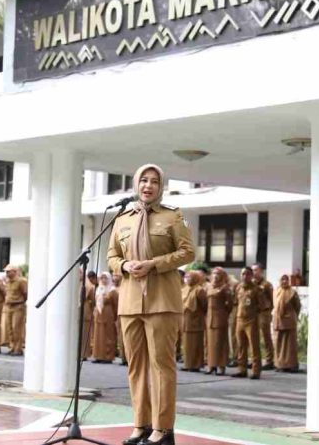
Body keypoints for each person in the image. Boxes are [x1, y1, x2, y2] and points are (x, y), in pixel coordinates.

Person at [107, 163, 194, 445]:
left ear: (160, 187)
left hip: (162, 302)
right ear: (136, 184)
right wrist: (124, 265)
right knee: (136, 366)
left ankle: (163, 429)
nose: (148, 185)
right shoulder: (122, 219)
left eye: (154, 181)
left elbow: (188, 252)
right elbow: (111, 256)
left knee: (161, 365)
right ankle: (141, 424)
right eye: (143, 180)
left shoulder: (172, 216)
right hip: (130, 302)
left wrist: (153, 264)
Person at [232, 266, 261, 379]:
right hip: (240, 319)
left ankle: (256, 371)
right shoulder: (238, 287)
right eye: (243, 274)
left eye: (247, 274)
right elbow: (236, 302)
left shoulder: (256, 289)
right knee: (241, 346)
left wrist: (255, 314)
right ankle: (242, 369)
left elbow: (262, 305)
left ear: (251, 276)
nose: (245, 276)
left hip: (251, 320)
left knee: (254, 346)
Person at [205, 267, 232, 375]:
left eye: (218, 274)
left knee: (220, 342)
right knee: (210, 343)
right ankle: (211, 365)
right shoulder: (209, 286)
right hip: (210, 317)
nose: (215, 276)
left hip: (220, 317)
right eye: (214, 273)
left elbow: (230, 304)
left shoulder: (225, 287)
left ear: (222, 275)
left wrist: (224, 313)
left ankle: (221, 365)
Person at [273, 274, 302, 372]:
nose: (284, 281)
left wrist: (292, 316)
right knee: (278, 343)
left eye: (286, 279)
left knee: (289, 345)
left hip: (289, 321)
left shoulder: (292, 292)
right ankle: (280, 364)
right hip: (278, 321)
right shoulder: (276, 291)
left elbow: (297, 306)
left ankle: (291, 365)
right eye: (282, 279)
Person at [181, 270, 207, 372]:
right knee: (187, 344)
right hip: (186, 320)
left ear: (195, 278)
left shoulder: (199, 290)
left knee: (195, 343)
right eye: (186, 277)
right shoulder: (184, 289)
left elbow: (204, 305)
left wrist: (199, 314)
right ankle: (188, 364)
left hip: (196, 320)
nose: (187, 279)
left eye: (190, 277)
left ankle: (196, 365)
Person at [252, 262, 275, 370]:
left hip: (264, 313)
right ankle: (255, 360)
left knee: (266, 336)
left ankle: (269, 360)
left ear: (261, 271)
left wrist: (268, 311)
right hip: (253, 313)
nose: (253, 272)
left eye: (255, 270)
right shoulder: (251, 284)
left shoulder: (267, 285)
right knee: (253, 337)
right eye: (252, 270)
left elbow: (272, 300)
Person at [92, 272, 118, 363]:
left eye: (105, 278)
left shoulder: (112, 290)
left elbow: (115, 305)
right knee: (98, 336)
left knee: (108, 336)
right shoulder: (99, 289)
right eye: (102, 278)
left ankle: (108, 357)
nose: (103, 280)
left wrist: (114, 316)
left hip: (108, 314)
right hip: (99, 314)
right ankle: (98, 356)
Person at [3, 264, 28, 356]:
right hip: (9, 306)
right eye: (6, 272)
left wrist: (20, 301)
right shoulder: (7, 281)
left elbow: (25, 293)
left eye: (8, 272)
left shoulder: (21, 281)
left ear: (14, 272)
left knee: (16, 328)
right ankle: (12, 346)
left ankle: (18, 348)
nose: (6, 273)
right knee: (9, 328)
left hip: (18, 306)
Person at [81, 270, 97, 360]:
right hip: (79, 310)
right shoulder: (79, 284)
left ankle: (84, 354)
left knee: (85, 333)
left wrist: (90, 303)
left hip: (85, 311)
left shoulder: (90, 286)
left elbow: (94, 300)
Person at [113, 271, 127, 365]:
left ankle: (128, 358)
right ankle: (123, 357)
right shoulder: (114, 289)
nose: (115, 278)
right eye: (114, 276)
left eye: (117, 275)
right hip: (118, 315)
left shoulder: (125, 288)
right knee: (121, 337)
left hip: (127, 312)